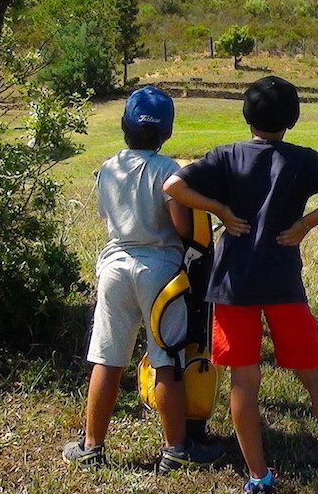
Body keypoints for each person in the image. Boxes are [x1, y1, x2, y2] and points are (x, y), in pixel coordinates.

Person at [164, 75, 318, 494]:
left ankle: (259, 483)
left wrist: (220, 210)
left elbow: (173, 187)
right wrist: (305, 225)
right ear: (293, 119)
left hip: (232, 287)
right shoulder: (304, 160)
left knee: (243, 383)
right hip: (284, 286)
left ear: (246, 116)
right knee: (316, 377)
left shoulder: (226, 156)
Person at [64, 85, 224, 473]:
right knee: (165, 359)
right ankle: (176, 449)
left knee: (107, 359)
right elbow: (182, 227)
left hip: (115, 267)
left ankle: (91, 446)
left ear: (124, 126)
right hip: (160, 275)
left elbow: (110, 218)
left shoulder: (107, 168)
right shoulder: (168, 170)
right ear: (166, 132)